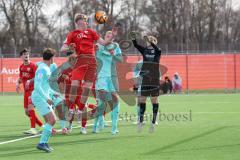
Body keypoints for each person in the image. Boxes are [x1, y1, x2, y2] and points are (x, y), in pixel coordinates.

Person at [60, 13, 117, 120]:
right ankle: (71, 108)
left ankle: (80, 109)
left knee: (87, 88)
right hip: (80, 60)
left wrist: (112, 35)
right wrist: (71, 48)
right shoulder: (72, 34)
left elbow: (104, 43)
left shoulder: (91, 32)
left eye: (86, 20)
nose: (86, 22)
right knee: (75, 85)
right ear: (78, 22)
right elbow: (62, 49)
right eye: (84, 20)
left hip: (91, 61)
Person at [130, 32, 161, 133]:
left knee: (154, 100)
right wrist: (133, 38)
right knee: (142, 99)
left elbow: (157, 49)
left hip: (154, 79)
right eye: (148, 41)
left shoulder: (157, 51)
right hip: (145, 79)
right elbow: (135, 45)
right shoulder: (144, 50)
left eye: (152, 41)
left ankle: (153, 121)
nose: (149, 42)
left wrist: (150, 42)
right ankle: (141, 120)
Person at [93, 31, 122, 135]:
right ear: (104, 37)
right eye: (107, 35)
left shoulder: (116, 46)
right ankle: (98, 122)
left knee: (115, 99)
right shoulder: (99, 46)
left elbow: (120, 59)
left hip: (112, 76)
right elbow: (94, 55)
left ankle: (114, 127)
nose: (109, 37)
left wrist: (113, 54)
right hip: (101, 76)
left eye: (111, 36)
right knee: (102, 100)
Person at [31, 48, 57, 152]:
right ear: (51, 59)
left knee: (49, 120)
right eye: (53, 58)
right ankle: (42, 143)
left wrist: (52, 93)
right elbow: (37, 86)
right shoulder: (42, 69)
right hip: (39, 98)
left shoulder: (45, 68)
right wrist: (46, 98)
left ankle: (44, 143)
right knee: (52, 120)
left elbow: (45, 85)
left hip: (42, 97)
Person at [16, 48, 43, 135]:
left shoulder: (33, 66)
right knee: (27, 112)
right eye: (24, 54)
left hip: (33, 91)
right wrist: (17, 83)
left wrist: (30, 80)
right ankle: (43, 127)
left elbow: (38, 77)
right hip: (26, 92)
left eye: (27, 54)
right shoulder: (21, 67)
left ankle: (33, 129)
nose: (26, 55)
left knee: (30, 108)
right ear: (21, 57)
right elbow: (21, 78)